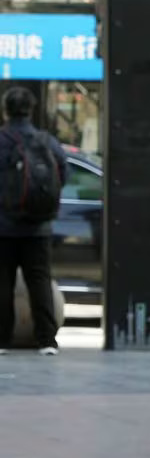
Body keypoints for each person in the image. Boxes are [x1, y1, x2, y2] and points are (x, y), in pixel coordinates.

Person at [0, 86, 67, 356]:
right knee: (40, 281)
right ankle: (47, 340)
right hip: (39, 226)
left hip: (3, 225)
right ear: (31, 109)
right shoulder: (45, 141)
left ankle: (2, 339)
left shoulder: (2, 140)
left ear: (6, 110)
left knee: (2, 282)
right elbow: (62, 173)